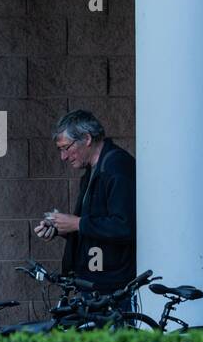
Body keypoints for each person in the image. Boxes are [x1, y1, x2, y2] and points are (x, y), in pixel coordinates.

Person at [35, 110, 137, 307]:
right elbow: (94, 224)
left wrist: (76, 223)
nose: (63, 157)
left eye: (66, 148)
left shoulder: (116, 167)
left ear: (87, 138)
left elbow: (125, 226)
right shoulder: (94, 170)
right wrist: (60, 227)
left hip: (112, 286)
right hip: (95, 282)